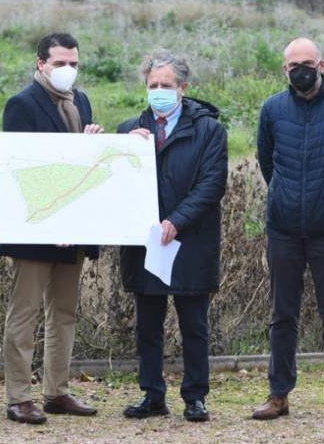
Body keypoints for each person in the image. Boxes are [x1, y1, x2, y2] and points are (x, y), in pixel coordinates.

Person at [252, 37, 324, 423]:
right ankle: (278, 394)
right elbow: (267, 161)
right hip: (283, 228)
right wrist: (286, 198)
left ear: (322, 65)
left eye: (307, 62)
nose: (300, 70)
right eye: (292, 65)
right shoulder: (272, 110)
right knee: (282, 315)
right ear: (284, 70)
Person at [0, 32, 103, 425]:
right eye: (60, 63)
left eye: (73, 63)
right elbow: (23, 168)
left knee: (64, 311)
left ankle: (57, 391)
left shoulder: (82, 100)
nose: (68, 70)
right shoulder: (22, 104)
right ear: (41, 63)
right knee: (24, 313)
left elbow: (83, 164)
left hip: (74, 226)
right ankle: (19, 396)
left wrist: (91, 144)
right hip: (37, 227)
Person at [118, 50, 228, 423]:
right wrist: (125, 150)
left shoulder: (209, 130)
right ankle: (152, 394)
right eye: (153, 85)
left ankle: (195, 396)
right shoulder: (130, 130)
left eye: (167, 85)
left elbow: (211, 184)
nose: (159, 91)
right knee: (148, 323)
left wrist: (178, 220)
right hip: (145, 243)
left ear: (183, 87)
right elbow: (114, 183)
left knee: (193, 324)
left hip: (190, 240)